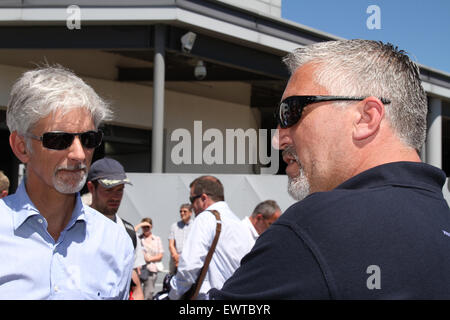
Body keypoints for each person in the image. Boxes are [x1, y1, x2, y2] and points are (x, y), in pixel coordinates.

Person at [209, 40, 450, 299]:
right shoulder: (440, 219)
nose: (278, 139)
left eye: (290, 112)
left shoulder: (314, 227)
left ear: (366, 118)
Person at [0, 65, 134, 299]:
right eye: (60, 139)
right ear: (22, 147)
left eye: (89, 139)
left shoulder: (115, 241)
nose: (79, 154)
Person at [169, 175, 253, 300]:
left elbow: (189, 267)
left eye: (192, 200)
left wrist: (173, 294)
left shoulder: (205, 218)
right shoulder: (239, 225)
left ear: (203, 198)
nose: (192, 207)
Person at [87, 157, 145, 300]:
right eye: (109, 190)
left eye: (120, 190)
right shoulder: (73, 227)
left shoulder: (128, 233)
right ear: (91, 188)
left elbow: (136, 287)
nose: (115, 197)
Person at [135, 217, 164, 300]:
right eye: (144, 227)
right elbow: (132, 232)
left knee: (148, 295)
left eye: (147, 227)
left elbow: (160, 255)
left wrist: (149, 259)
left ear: (151, 227)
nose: (145, 229)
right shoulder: (138, 238)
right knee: (136, 294)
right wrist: (141, 224)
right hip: (139, 270)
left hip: (151, 270)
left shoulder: (156, 239)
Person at [168, 203, 193, 275]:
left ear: (190, 213)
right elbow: (171, 244)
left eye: (185, 211)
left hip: (189, 260)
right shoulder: (174, 226)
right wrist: (176, 257)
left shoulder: (195, 225)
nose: (182, 213)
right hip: (176, 261)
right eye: (181, 211)